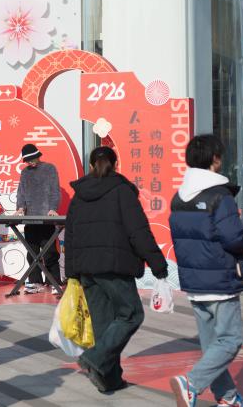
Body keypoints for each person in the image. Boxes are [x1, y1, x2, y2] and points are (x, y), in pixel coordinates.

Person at [64, 146, 168, 393]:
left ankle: (109, 380)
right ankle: (94, 358)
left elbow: (71, 235)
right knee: (131, 315)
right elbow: (138, 231)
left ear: (91, 166)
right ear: (116, 164)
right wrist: (158, 264)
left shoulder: (79, 195)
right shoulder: (122, 191)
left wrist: (71, 272)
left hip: (87, 270)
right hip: (114, 267)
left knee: (103, 325)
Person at [168, 134, 243, 407]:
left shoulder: (179, 198)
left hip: (194, 281)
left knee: (211, 345)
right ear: (215, 159)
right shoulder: (220, 196)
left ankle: (228, 397)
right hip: (220, 279)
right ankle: (191, 383)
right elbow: (234, 238)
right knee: (231, 340)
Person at [15, 143, 61, 294]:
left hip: (46, 217)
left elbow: (55, 191)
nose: (30, 162)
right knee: (32, 252)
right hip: (30, 217)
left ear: (38, 156)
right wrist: (20, 207)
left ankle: (54, 282)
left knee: (50, 252)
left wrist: (53, 208)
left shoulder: (49, 168)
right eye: (27, 160)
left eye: (32, 159)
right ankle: (35, 282)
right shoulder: (25, 172)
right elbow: (21, 192)